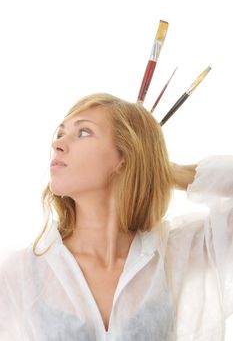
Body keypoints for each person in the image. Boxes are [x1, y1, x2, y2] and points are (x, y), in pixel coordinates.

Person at [0, 92, 232, 341]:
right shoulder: (22, 272)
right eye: (59, 133)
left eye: (84, 132)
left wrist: (166, 171)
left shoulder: (173, 255)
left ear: (124, 159)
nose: (58, 144)